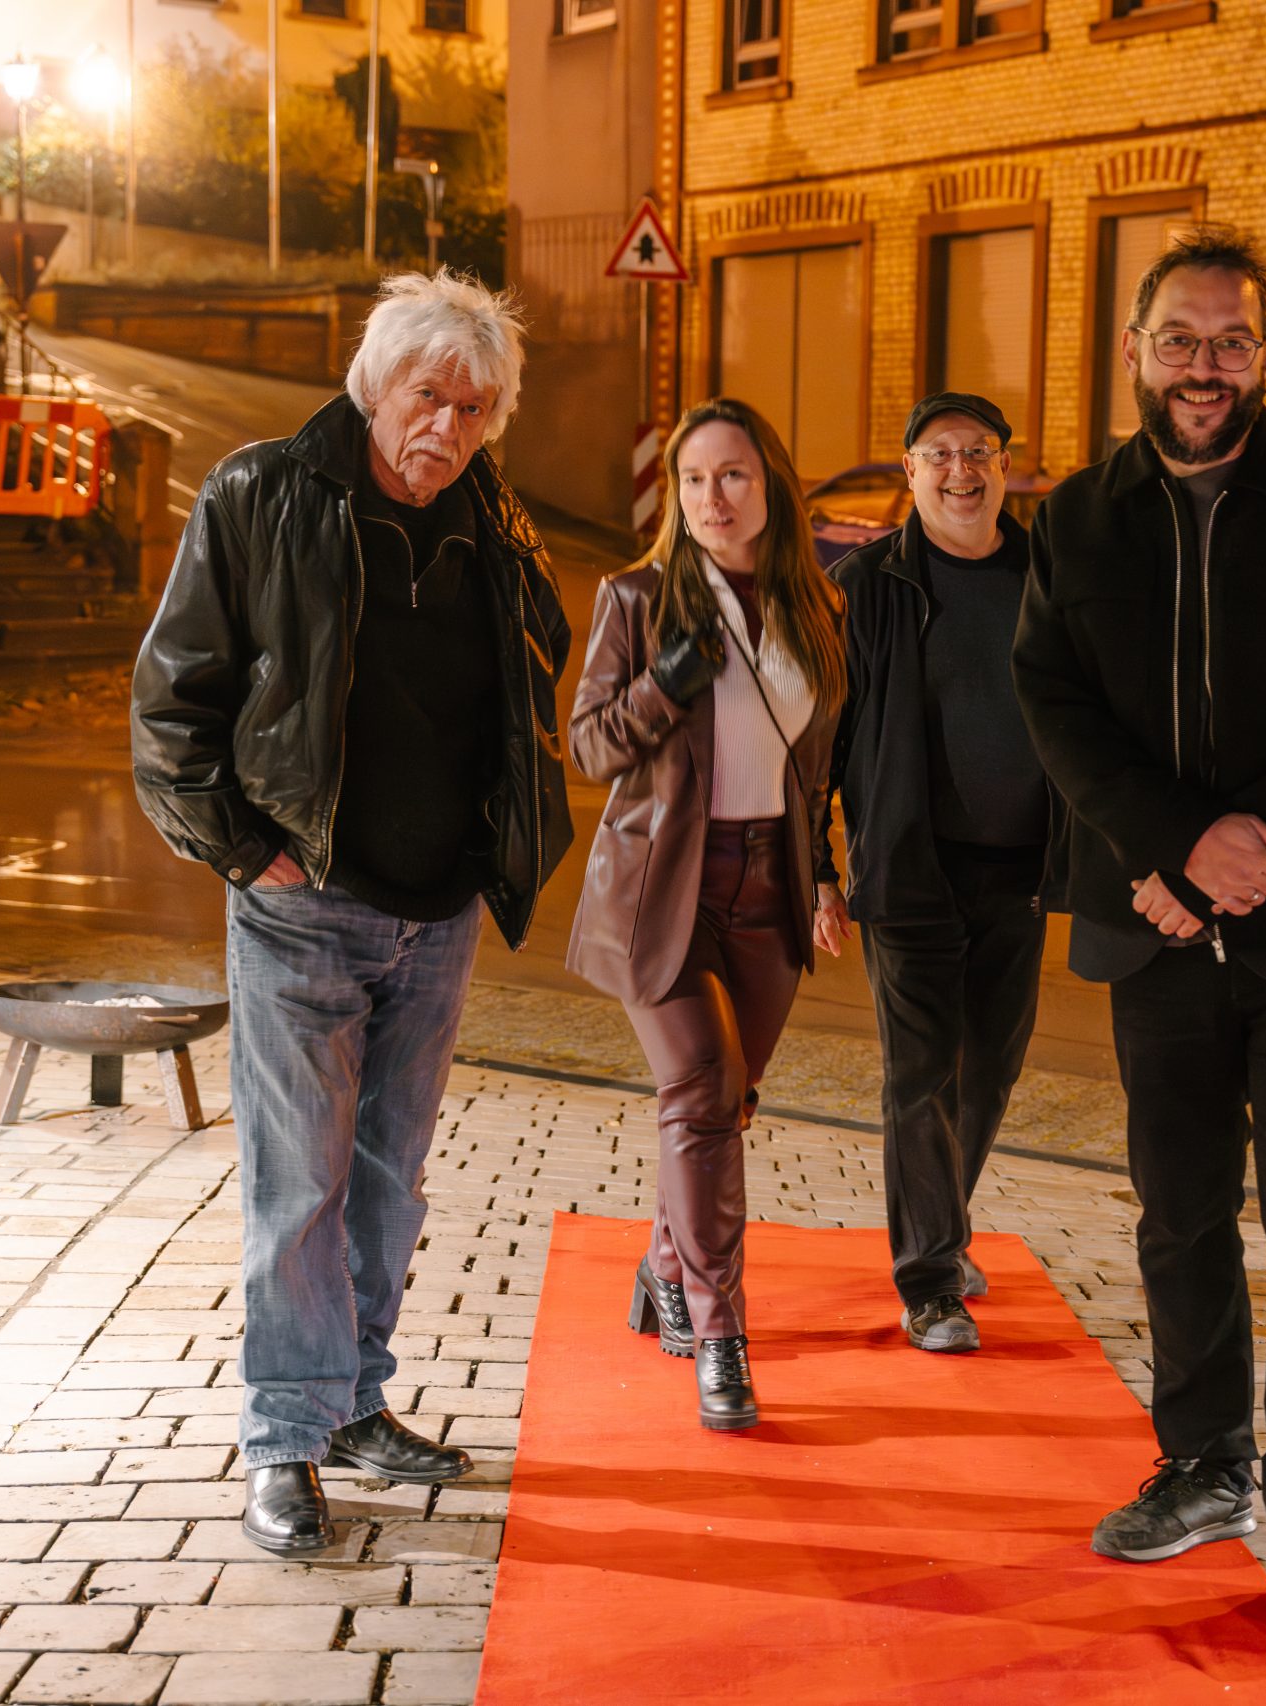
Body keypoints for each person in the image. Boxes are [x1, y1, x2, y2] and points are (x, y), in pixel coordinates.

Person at [1011, 228, 1266, 1667]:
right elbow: (1054, 704)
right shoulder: (1079, 520)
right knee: (1178, 1214)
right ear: (1133, 349)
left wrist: (1253, 848)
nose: (1204, 366)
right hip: (1159, 926)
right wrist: (1174, 848)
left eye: (1231, 341)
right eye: (1179, 339)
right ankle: (1201, 1464)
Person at [129, 270, 573, 1556]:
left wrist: (497, 851)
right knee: (298, 1183)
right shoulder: (261, 493)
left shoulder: (499, 524)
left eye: (475, 408)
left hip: (438, 912)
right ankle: (283, 1438)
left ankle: (355, 1401)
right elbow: (172, 700)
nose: (448, 425)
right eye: (429, 396)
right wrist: (242, 849)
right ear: (376, 386)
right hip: (303, 902)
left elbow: (525, 697)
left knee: (387, 1181)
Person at [566, 397, 845, 1432]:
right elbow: (588, 746)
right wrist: (664, 683)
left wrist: (824, 875)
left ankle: (663, 1265)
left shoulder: (816, 606)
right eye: (692, 479)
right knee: (699, 1091)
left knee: (728, 1104)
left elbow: (817, 765)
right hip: (663, 889)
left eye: (731, 475)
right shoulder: (638, 598)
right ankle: (720, 1331)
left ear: (772, 485)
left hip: (770, 886)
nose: (710, 497)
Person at [815, 391, 1057, 1355]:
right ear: (911, 472)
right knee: (919, 1071)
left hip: (1021, 865)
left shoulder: (1048, 578)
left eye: (980, 452)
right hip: (908, 863)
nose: (962, 470)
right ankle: (929, 1281)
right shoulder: (866, 584)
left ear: (1004, 468)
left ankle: (941, 1228)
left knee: (989, 1066)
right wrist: (817, 865)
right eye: (941, 455)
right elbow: (821, 737)